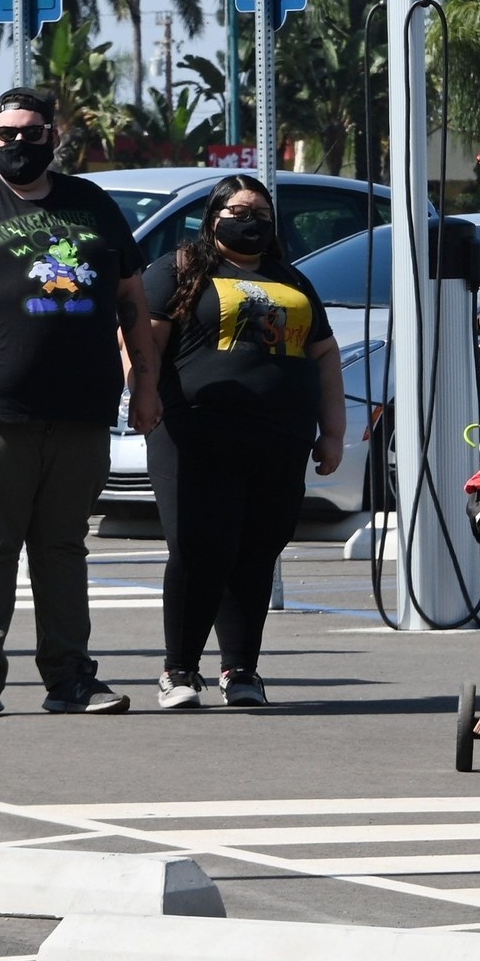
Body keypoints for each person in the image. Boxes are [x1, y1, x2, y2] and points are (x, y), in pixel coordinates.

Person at [0, 87, 150, 718]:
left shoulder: (91, 205)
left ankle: (70, 677)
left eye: (31, 133)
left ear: (53, 137)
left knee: (63, 546)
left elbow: (130, 300)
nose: (18, 144)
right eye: (6, 134)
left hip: (81, 409)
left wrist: (143, 382)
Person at [138, 175, 346, 709]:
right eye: (238, 210)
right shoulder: (179, 270)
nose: (250, 220)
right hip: (195, 433)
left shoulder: (292, 280)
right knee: (198, 548)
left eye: (261, 213)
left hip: (279, 438)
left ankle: (241, 670)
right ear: (213, 217)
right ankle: (179, 671)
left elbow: (324, 356)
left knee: (256, 552)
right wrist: (142, 396)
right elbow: (142, 341)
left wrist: (333, 432)